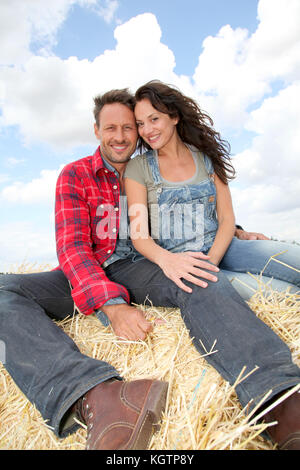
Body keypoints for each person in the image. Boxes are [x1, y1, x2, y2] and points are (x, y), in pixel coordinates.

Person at [0, 87, 299, 451]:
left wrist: (233, 230)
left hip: (136, 264)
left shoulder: (151, 165)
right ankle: (97, 396)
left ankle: (279, 399)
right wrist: (111, 303)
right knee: (3, 291)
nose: (122, 136)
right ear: (96, 130)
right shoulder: (75, 175)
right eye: (111, 128)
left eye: (130, 127)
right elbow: (73, 248)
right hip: (91, 271)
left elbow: (186, 209)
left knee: (198, 278)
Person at [119, 80, 300, 450]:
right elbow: (139, 236)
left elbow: (225, 218)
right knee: (284, 293)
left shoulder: (205, 158)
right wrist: (169, 261)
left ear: (172, 116)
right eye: (140, 123)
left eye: (154, 118)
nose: (147, 130)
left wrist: (213, 262)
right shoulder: (138, 169)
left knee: (287, 259)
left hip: (222, 247)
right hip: (180, 261)